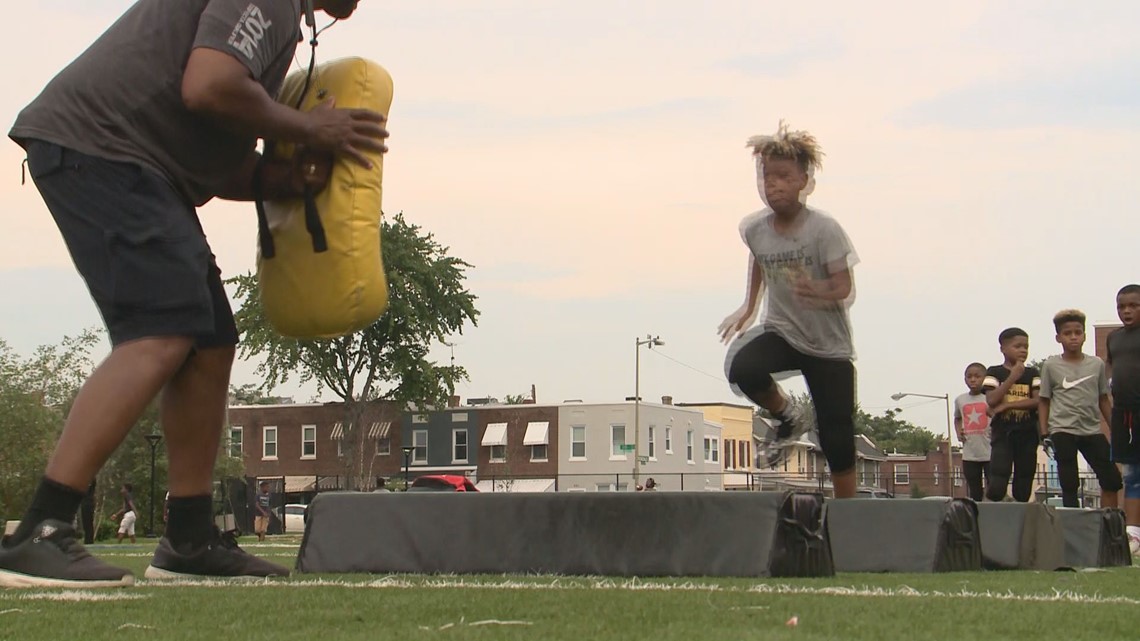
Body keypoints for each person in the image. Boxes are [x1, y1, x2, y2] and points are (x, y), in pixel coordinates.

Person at [0, 0, 388, 588]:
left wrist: (282, 179)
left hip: (137, 163)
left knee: (208, 340)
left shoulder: (277, 31)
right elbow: (207, 86)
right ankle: (42, 531)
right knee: (162, 330)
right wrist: (309, 127)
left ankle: (188, 538)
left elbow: (214, 162)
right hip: (103, 149)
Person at [720, 121, 861, 499]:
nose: (774, 185)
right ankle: (788, 415)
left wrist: (817, 289)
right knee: (743, 368)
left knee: (837, 433)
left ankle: (849, 511)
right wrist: (749, 307)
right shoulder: (755, 229)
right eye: (768, 177)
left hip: (828, 344)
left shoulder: (823, 229)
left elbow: (845, 286)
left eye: (784, 177)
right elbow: (759, 260)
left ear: (803, 180)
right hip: (783, 331)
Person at [1038, 309, 1122, 509]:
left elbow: (1103, 398)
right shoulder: (1051, 365)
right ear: (1059, 337)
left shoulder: (1096, 364)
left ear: (1084, 335)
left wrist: (1114, 428)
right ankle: (1070, 526)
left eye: (1078, 332)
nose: (1073, 337)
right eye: (1068, 333)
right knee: (1069, 483)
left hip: (1090, 430)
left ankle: (1108, 523)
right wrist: (1044, 433)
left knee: (1112, 479)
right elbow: (1044, 401)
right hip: (1062, 429)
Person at [983, 328, 1041, 503]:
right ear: (1003, 348)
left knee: (1024, 478)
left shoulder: (1033, 373)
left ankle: (1020, 512)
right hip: (1003, 433)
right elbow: (992, 399)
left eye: (1026, 346)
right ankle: (993, 509)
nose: (1023, 350)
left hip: (1027, 432)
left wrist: (1007, 405)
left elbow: (1037, 401)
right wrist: (1013, 376)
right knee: (999, 477)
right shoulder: (994, 372)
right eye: (1018, 346)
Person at [1106, 284, 1140, 554]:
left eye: (1133, 306)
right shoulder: (1114, 338)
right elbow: (1111, 368)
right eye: (1121, 306)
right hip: (1125, 414)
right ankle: (1132, 534)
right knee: (1131, 474)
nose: (1126, 311)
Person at [954, 363, 991, 502]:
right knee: (974, 491)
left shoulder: (990, 398)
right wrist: (959, 432)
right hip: (970, 453)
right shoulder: (960, 400)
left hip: (990, 451)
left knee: (993, 488)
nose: (973, 380)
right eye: (969, 377)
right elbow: (957, 418)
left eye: (977, 376)